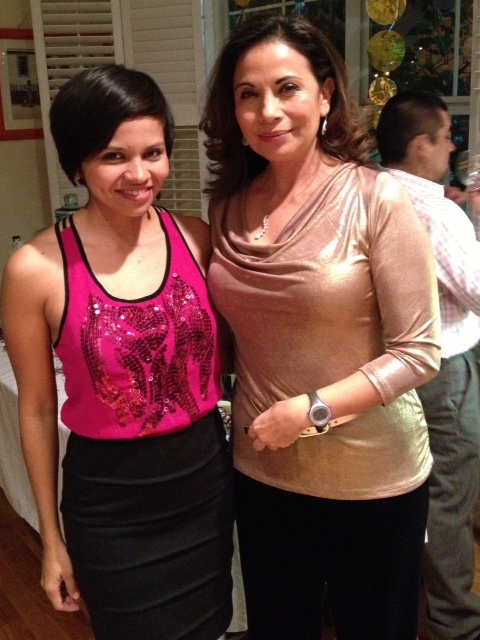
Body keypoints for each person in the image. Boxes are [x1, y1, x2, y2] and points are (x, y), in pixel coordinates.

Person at [199, 13, 441, 640]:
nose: (268, 111)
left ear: (326, 94)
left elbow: (419, 353)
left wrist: (308, 412)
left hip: (373, 477)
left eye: (288, 88)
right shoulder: (225, 206)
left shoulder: (376, 197)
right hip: (263, 470)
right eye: (248, 94)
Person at [0, 64, 234, 640]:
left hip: (204, 484)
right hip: (111, 506)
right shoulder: (36, 269)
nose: (139, 174)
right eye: (113, 156)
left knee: (211, 626)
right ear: (77, 163)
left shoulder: (197, 238)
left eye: (153, 153)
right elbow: (36, 408)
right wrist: (50, 539)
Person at [376, 89, 480, 640]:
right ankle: (456, 622)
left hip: (387, 371)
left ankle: (404, 601)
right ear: (421, 145)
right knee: (448, 496)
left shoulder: (370, 194)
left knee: (404, 488)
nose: (451, 147)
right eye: (445, 138)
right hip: (445, 371)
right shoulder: (437, 213)